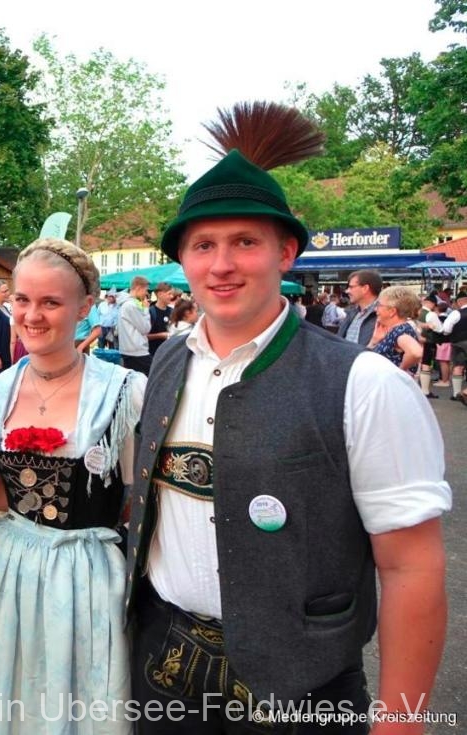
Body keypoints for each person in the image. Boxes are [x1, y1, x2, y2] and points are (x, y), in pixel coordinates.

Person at [126, 102, 450, 733]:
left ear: (286, 252)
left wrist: (400, 723)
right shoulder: (166, 362)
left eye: (245, 242)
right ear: (184, 261)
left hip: (301, 692)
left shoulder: (364, 383)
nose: (222, 264)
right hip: (164, 668)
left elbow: (411, 567)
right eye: (203, 245)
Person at [0, 238, 144, 735]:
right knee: (14, 691)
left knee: (83, 697)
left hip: (87, 570)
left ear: (84, 307)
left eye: (51, 302)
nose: (32, 315)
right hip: (12, 565)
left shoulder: (121, 390)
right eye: (23, 299)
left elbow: (136, 494)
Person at [368, 286, 423, 373]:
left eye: (379, 305)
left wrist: (400, 371)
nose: (375, 309)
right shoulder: (399, 329)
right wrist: (374, 341)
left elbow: (416, 352)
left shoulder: (400, 331)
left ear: (392, 311)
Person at [437, 291, 467, 404]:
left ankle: (456, 394)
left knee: (458, 366)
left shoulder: (456, 313)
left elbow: (446, 329)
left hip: (458, 342)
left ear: (459, 302)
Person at [117, 276, 152, 374]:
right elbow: (145, 328)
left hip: (129, 349)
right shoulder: (131, 305)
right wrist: (146, 309)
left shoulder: (127, 304)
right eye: (146, 290)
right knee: (153, 377)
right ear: (138, 288)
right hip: (136, 351)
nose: (146, 293)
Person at [338, 269, 382, 345]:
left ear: (365, 288)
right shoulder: (351, 313)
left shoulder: (383, 315)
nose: (347, 291)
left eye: (351, 287)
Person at [146, 281, 175, 356]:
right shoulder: (150, 312)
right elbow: (144, 336)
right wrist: (161, 335)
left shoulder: (172, 311)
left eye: (172, 294)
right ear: (159, 294)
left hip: (169, 353)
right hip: (154, 354)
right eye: (169, 294)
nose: (172, 296)